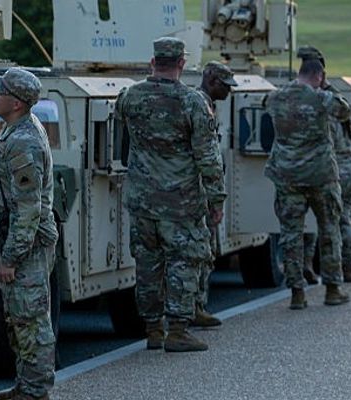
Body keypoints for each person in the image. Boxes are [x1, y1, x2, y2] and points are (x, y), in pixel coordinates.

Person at [117, 37, 223, 352]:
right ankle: (177, 330)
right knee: (185, 262)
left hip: (142, 200)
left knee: (148, 265)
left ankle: (152, 330)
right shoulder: (192, 102)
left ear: (153, 62)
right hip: (182, 202)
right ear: (181, 64)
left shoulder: (130, 97)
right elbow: (208, 157)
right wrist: (216, 199)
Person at [0, 67, 58, 400]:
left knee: (31, 319)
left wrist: (11, 256)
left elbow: (28, 208)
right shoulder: (14, 130)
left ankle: (36, 391)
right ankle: (26, 385)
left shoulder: (23, 140)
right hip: (21, 237)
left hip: (27, 243)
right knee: (19, 317)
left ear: (16, 103)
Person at [264, 59, 351, 309]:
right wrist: (327, 88)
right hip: (320, 175)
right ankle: (333, 289)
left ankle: (297, 293)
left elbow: (265, 106)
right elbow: (345, 111)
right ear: (319, 75)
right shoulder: (322, 97)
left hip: (287, 175)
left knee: (291, 234)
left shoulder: (277, 97)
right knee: (329, 229)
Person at [297, 46, 351, 283]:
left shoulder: (320, 101)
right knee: (340, 221)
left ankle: (308, 266)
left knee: (313, 221)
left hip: (328, 169)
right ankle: (346, 267)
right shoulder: (335, 98)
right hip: (344, 169)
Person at [191, 61, 237, 328]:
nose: (229, 91)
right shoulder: (200, 105)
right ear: (211, 81)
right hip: (199, 194)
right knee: (201, 252)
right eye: (225, 85)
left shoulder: (205, 103)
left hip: (196, 192)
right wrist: (216, 199)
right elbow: (209, 158)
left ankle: (196, 305)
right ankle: (195, 307)